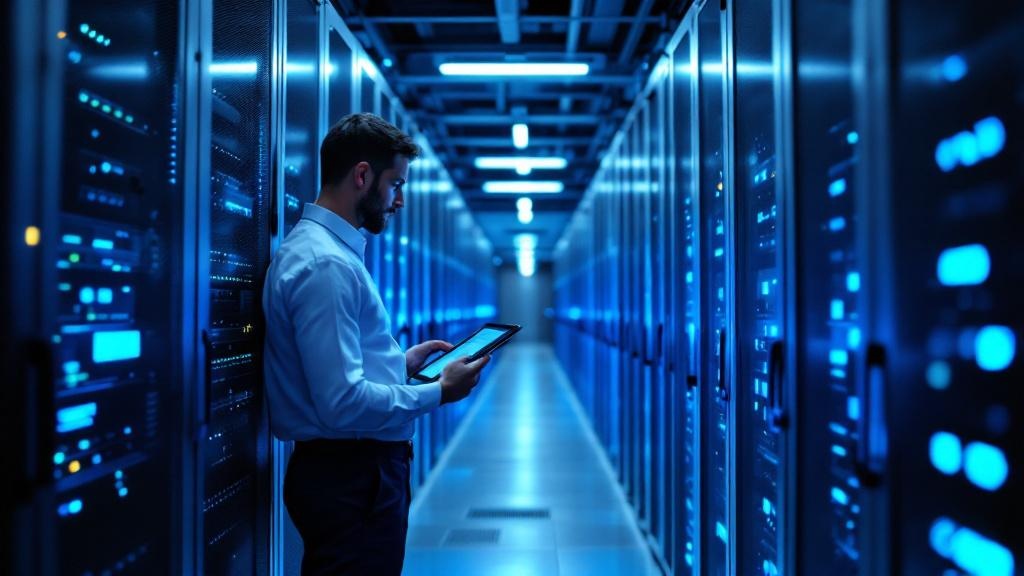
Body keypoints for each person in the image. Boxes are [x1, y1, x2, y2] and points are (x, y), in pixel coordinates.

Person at [262, 112, 490, 575]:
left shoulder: (330, 254)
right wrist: (438, 391)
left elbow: (334, 372)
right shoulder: (325, 265)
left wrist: (399, 365)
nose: (399, 200)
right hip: (351, 477)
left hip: (351, 473)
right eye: (396, 184)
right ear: (362, 176)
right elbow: (342, 402)